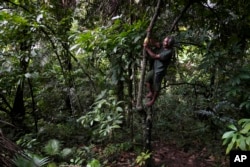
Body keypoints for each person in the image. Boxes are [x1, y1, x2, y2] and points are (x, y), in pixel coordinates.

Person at [143, 36, 175, 107]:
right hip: (154, 68)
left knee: (157, 88)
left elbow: (154, 56)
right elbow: (155, 43)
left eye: (166, 42)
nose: (164, 42)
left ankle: (153, 101)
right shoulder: (162, 46)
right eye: (164, 40)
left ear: (169, 44)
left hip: (159, 71)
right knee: (147, 80)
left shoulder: (168, 52)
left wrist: (147, 48)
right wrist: (149, 36)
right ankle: (151, 92)